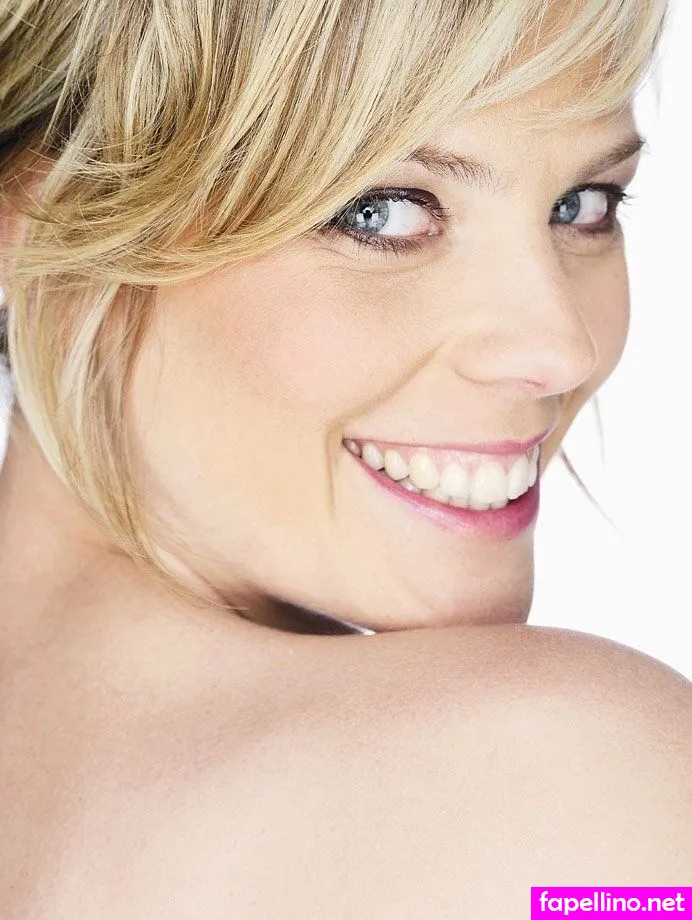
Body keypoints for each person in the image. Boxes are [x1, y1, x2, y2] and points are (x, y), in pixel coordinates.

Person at [0, 0, 690, 916]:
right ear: (48, 225)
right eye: (384, 211)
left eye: (583, 205)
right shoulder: (566, 785)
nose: (559, 348)